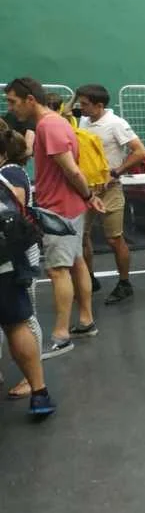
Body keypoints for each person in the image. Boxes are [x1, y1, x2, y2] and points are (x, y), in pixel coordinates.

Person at [5, 78, 105, 358]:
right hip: (67, 206)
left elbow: (71, 170)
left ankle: (61, 336)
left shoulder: (49, 126)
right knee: (77, 262)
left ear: (30, 99)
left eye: (13, 101)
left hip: (59, 208)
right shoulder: (53, 123)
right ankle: (85, 321)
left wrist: (88, 196)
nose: (10, 108)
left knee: (58, 270)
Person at [76, 84, 145, 305]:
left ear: (99, 105)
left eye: (84, 104)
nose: (80, 107)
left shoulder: (116, 124)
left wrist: (116, 171)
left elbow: (140, 152)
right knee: (81, 237)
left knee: (114, 239)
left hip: (110, 190)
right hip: (85, 190)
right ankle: (89, 279)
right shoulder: (83, 121)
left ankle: (124, 283)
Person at [0, 125, 53, 415]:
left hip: (12, 258)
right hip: (8, 260)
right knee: (18, 321)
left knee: (22, 320)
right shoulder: (9, 175)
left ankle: (35, 385)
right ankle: (39, 391)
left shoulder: (10, 174)